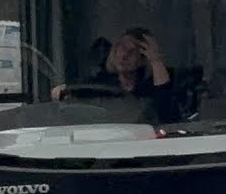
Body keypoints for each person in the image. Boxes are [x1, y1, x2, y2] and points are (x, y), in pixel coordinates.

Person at [51, 27, 182, 124]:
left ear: (144, 58)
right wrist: (63, 91)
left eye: (132, 51)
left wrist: (156, 60)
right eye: (121, 48)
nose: (124, 56)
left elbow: (168, 115)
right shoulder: (101, 83)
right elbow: (76, 92)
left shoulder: (153, 86)